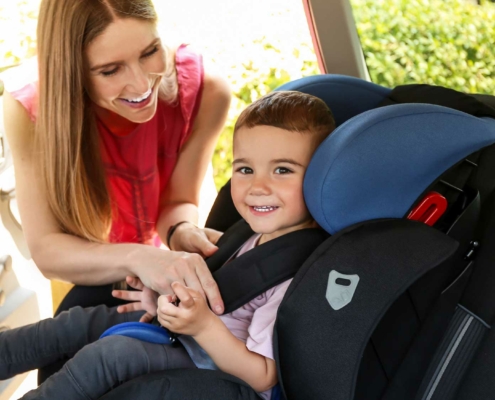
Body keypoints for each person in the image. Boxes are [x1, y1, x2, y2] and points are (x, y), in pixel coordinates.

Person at [0, 91, 336, 400]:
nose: (258, 186)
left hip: (211, 368)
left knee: (109, 357)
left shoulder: (295, 275)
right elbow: (223, 290)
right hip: (186, 329)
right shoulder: (249, 234)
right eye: (245, 169)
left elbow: (263, 376)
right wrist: (164, 297)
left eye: (282, 170)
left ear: (320, 177)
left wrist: (200, 325)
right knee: (76, 323)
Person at [2, 0, 230, 316]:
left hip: (159, 262)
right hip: (83, 268)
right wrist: (139, 258)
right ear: (72, 72)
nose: (141, 84)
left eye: (150, 51)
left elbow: (177, 199)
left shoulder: (206, 91)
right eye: (110, 70)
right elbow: (47, 249)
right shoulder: (29, 112)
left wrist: (180, 231)